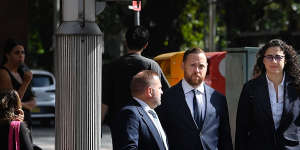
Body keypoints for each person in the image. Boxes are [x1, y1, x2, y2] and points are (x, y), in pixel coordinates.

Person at [157, 48, 233, 150]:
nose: (197, 70)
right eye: (192, 65)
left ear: (207, 67)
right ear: (183, 66)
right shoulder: (167, 98)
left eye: (201, 66)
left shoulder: (218, 99)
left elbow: (225, 139)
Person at [235, 39, 300, 150]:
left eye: (278, 57)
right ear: (263, 61)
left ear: (286, 60)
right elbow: (242, 129)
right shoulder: (250, 88)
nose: (274, 61)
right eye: (269, 57)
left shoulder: (297, 87)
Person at [101, 26, 170, 128]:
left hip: (119, 123)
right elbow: (166, 95)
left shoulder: (112, 66)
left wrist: (98, 127)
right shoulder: (152, 66)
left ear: (126, 42)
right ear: (146, 45)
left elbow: (105, 101)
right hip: (146, 123)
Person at [112, 70, 168, 150]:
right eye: (159, 88)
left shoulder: (150, 113)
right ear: (150, 91)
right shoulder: (130, 114)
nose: (162, 92)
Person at [0, 38, 36, 131]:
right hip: (12, 125)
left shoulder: (22, 73)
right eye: (17, 53)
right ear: (7, 55)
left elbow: (33, 102)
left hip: (26, 122)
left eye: (23, 52)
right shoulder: (4, 73)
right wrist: (25, 83)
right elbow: (11, 102)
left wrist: (21, 104)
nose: (21, 56)